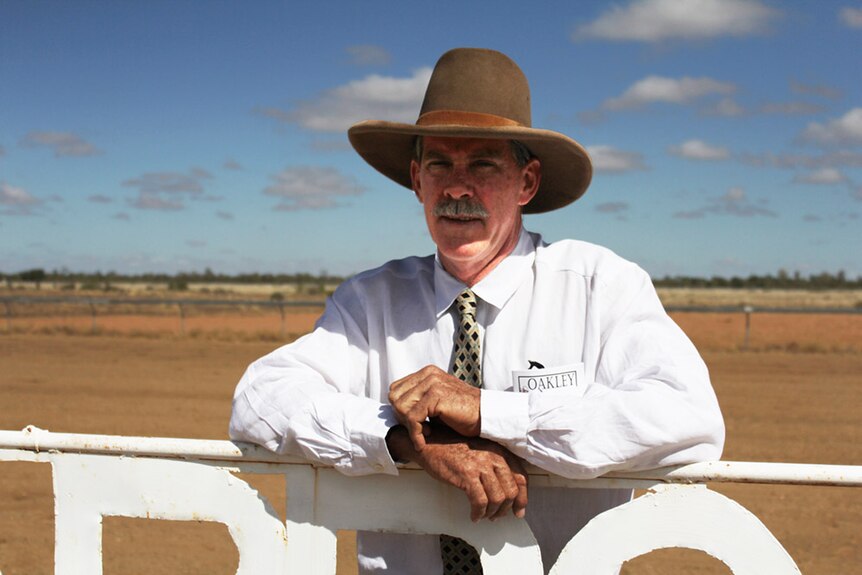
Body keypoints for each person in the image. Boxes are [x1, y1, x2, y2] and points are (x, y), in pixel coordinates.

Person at [229, 47, 724, 574]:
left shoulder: (599, 286)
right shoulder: (370, 300)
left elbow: (688, 418)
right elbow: (259, 402)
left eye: (483, 165)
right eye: (440, 164)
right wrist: (405, 439)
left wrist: (489, 413)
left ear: (526, 183)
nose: (457, 187)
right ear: (417, 179)